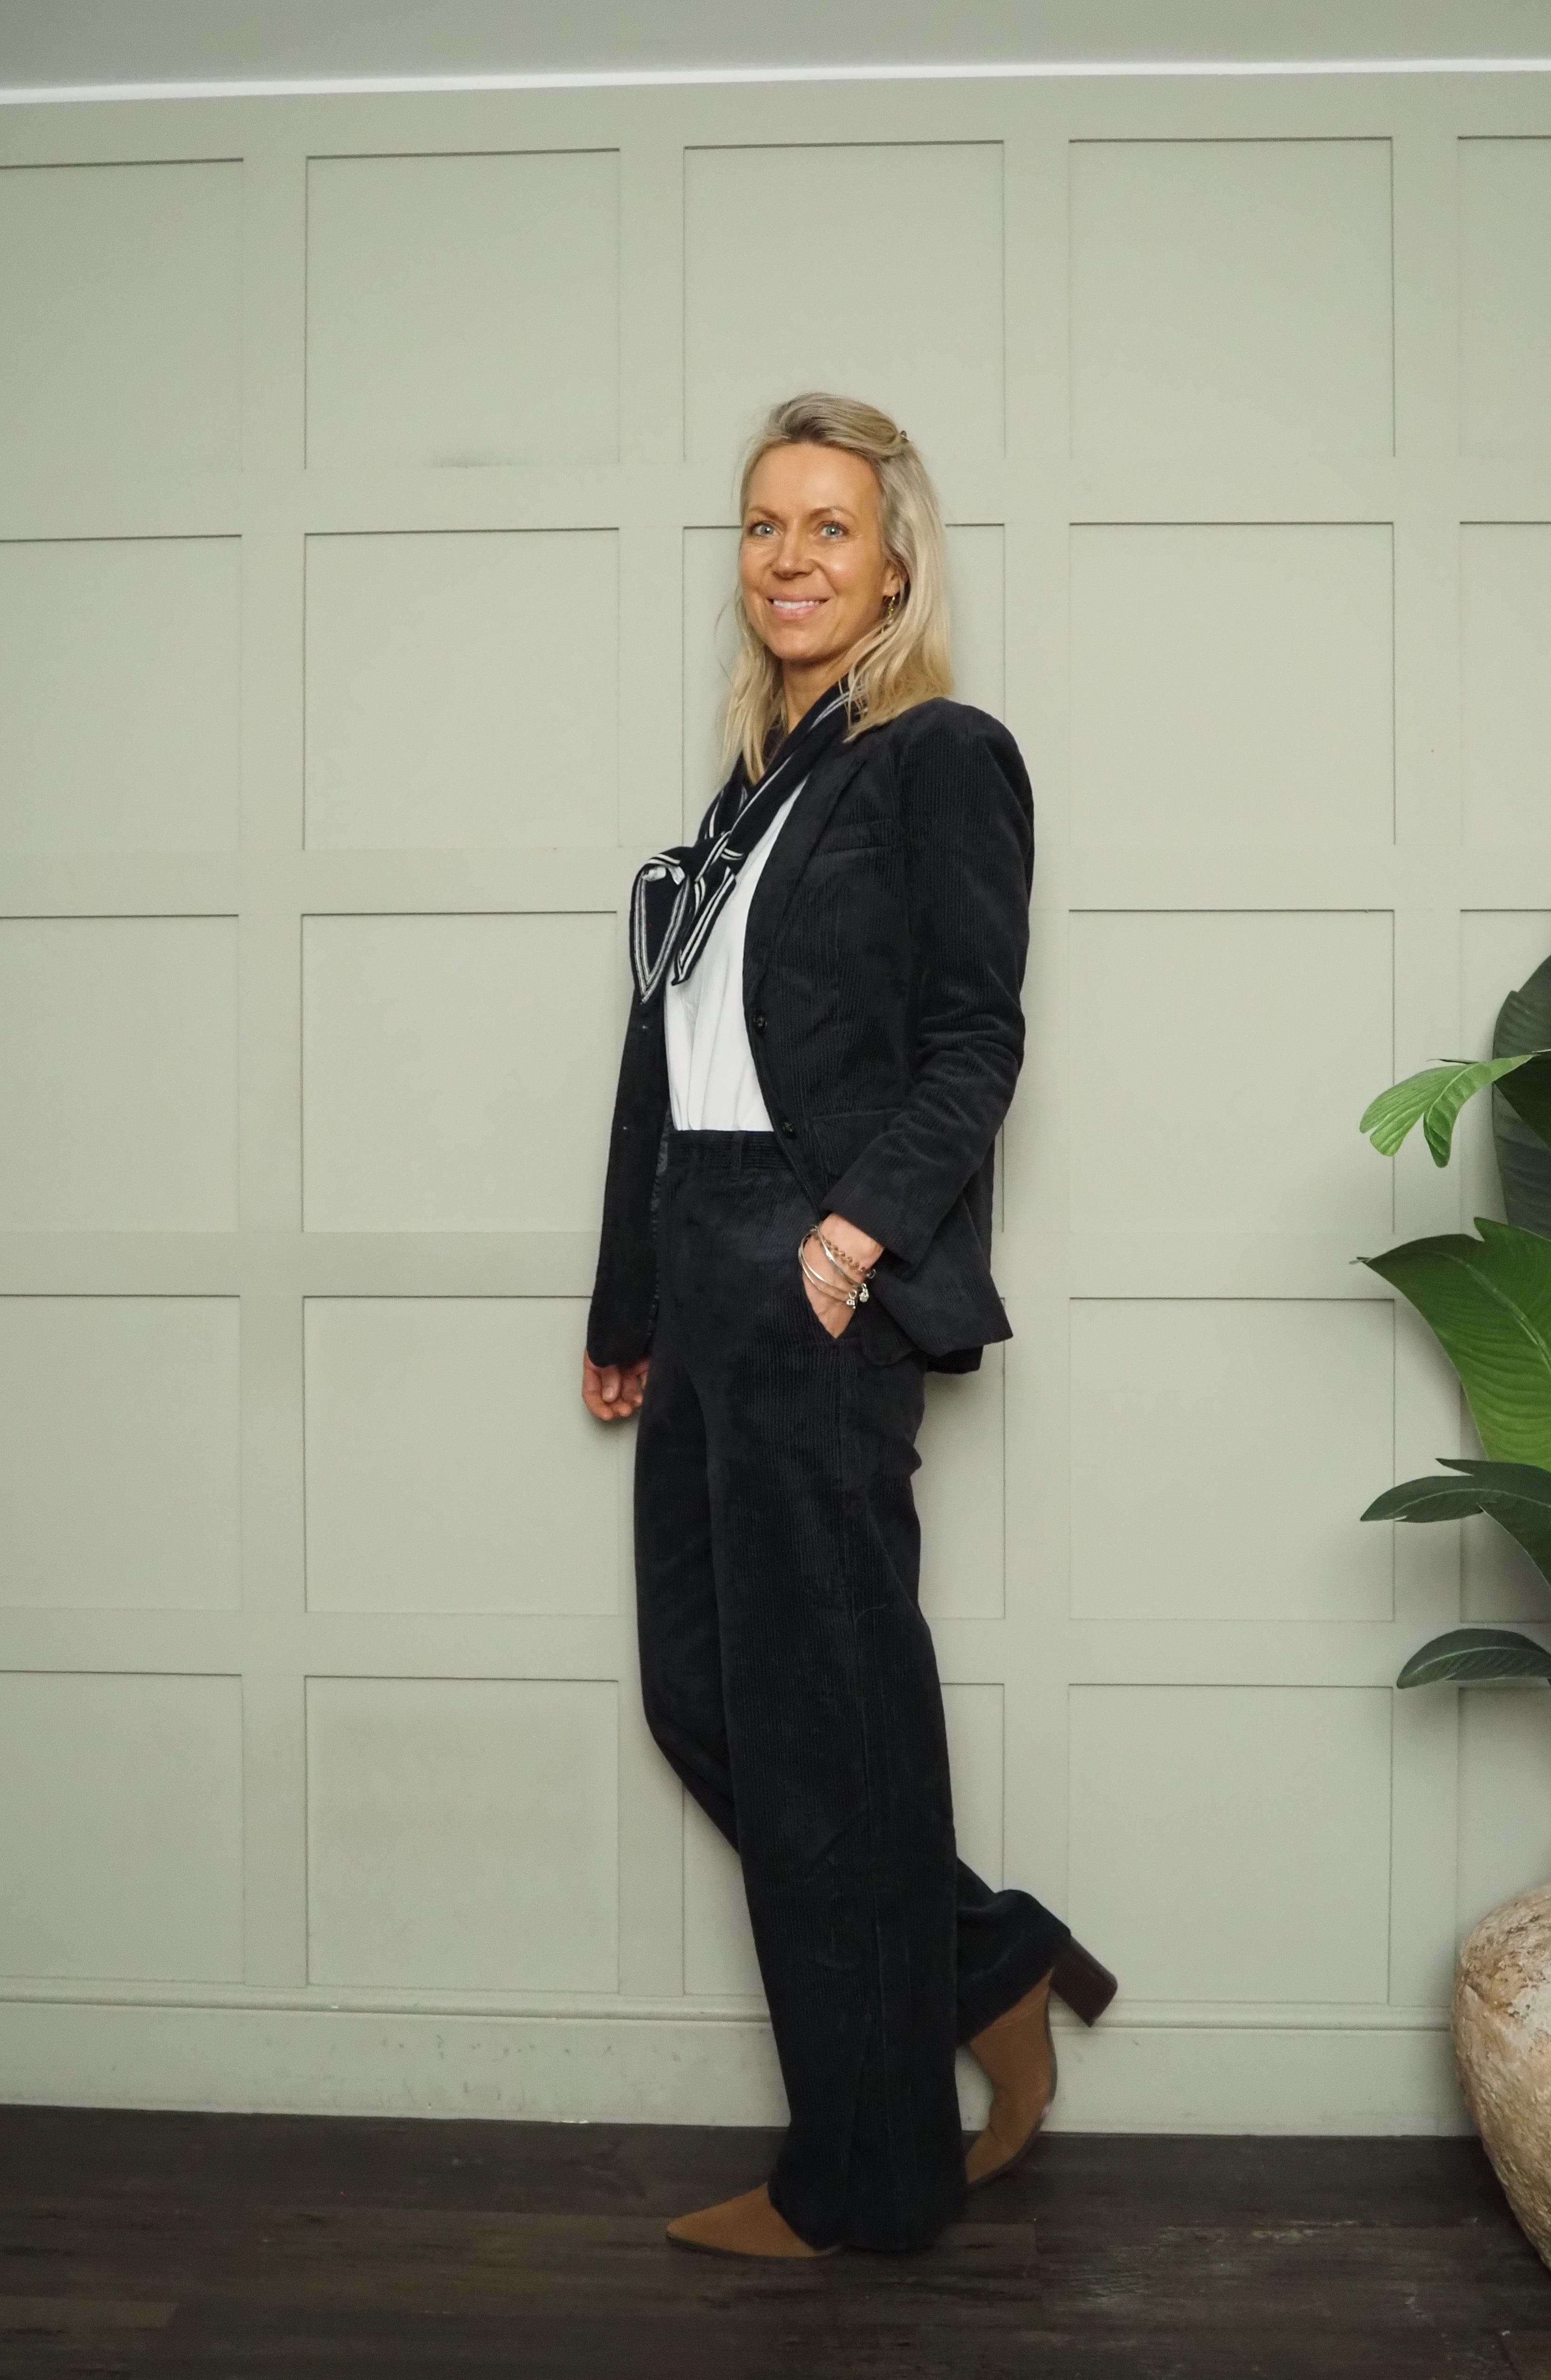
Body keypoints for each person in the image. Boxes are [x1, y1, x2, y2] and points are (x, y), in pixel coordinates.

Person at [581, 392, 1114, 2260]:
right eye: (763, 525)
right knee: (710, 1700)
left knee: (825, 1731)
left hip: (814, 1271)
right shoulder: (742, 804)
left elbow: (976, 1040)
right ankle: (983, 1963)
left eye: (829, 527)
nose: (790, 558)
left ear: (895, 568)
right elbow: (664, 1070)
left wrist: (851, 1241)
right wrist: (631, 1299)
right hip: (704, 1264)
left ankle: (869, 2179)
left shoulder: (938, 759)